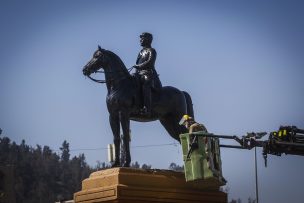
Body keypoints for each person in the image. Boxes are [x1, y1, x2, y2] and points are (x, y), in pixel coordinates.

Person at [133, 32, 159, 115]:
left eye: (142, 38)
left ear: (148, 40)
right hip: (139, 73)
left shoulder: (152, 50)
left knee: (146, 82)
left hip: (148, 73)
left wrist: (139, 66)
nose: (140, 40)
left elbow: (150, 62)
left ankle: (147, 108)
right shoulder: (141, 52)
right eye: (141, 38)